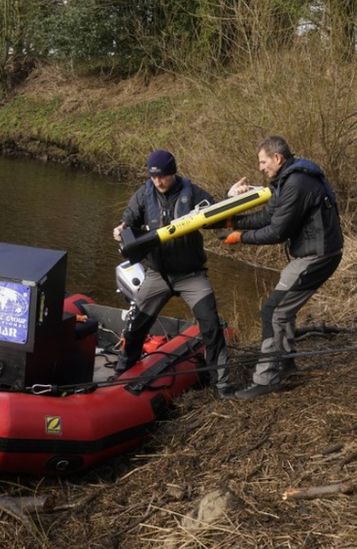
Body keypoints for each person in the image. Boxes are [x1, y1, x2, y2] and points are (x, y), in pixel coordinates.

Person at [222, 136, 343, 400]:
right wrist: (236, 223)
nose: (260, 168)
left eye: (263, 162)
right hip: (309, 254)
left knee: (273, 311)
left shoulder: (297, 182)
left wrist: (240, 238)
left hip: (318, 256)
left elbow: (277, 231)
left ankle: (267, 378)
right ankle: (286, 367)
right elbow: (268, 216)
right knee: (280, 310)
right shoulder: (288, 178)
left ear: (277, 158)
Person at [112, 149, 232, 398]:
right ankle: (124, 370)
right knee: (135, 326)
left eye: (163, 177)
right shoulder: (144, 194)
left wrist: (231, 197)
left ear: (173, 173)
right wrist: (121, 229)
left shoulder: (192, 192)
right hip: (158, 274)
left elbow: (219, 214)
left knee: (210, 324)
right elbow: (129, 222)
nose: (158, 182)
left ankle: (220, 382)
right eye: (154, 177)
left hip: (191, 274)